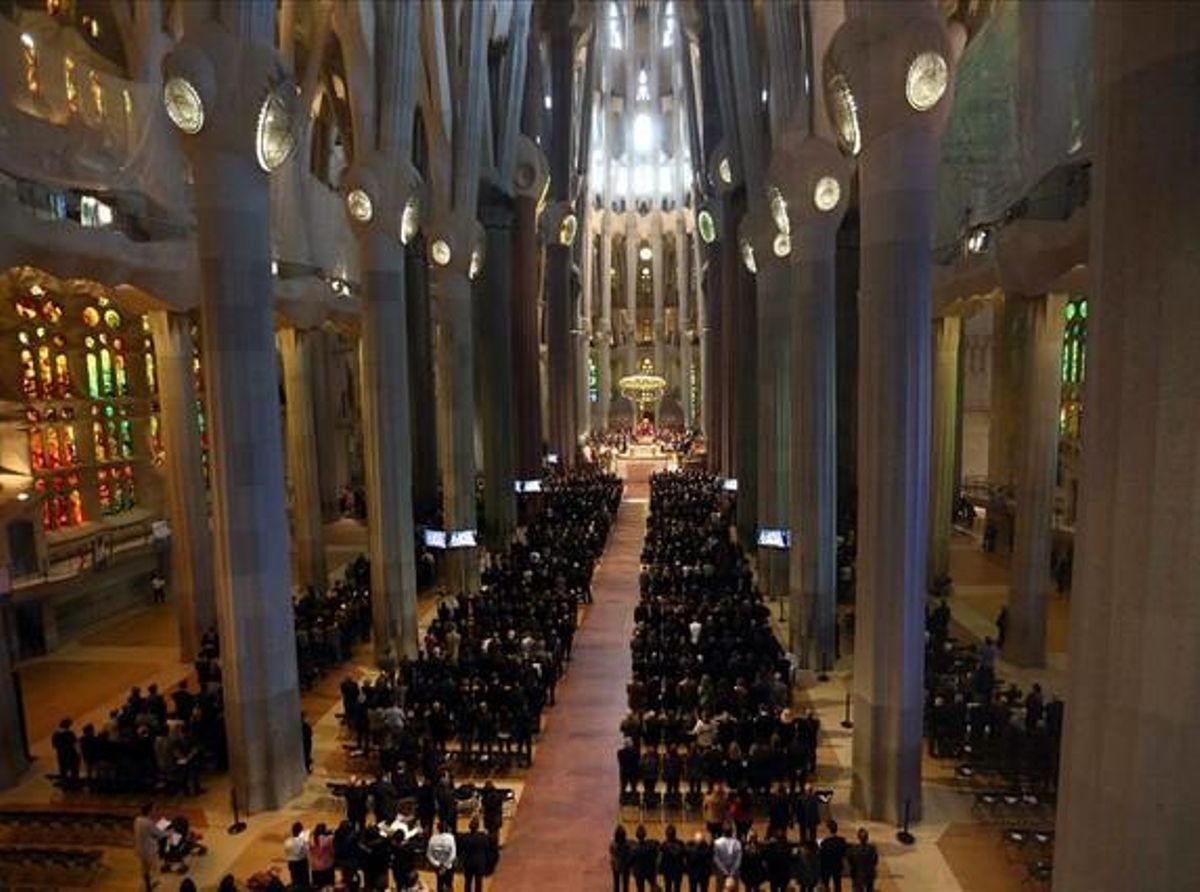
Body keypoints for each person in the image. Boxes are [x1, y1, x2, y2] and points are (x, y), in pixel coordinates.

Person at [133, 802, 164, 891]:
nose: (155, 811)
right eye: (154, 809)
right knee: (155, 869)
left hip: (140, 850)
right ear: (149, 811)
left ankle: (147, 886)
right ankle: (153, 886)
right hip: (149, 851)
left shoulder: (137, 820)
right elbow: (159, 834)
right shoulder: (148, 823)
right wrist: (169, 832)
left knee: (144, 869)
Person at [458, 816, 490, 892]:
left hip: (468, 863)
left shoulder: (465, 838)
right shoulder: (483, 837)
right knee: (478, 883)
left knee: (468, 882)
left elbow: (461, 850)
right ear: (478, 827)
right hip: (479, 863)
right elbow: (487, 848)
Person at [427, 821, 457, 892]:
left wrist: (438, 864)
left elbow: (429, 855)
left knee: (439, 883)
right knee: (449, 884)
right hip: (448, 866)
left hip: (438, 867)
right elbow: (453, 854)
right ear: (446, 828)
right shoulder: (450, 838)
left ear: (437, 828)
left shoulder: (432, 838)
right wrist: (445, 865)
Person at [819, 820, 848, 892]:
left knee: (826, 884)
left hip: (826, 866)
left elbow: (822, 856)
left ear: (829, 829)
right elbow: (844, 853)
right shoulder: (842, 841)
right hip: (837, 865)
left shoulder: (825, 843)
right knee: (838, 884)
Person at [846, 827, 878, 892]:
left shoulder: (853, 849)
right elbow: (875, 861)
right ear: (867, 838)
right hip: (869, 875)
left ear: (858, 838)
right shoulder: (872, 849)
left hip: (857, 875)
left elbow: (850, 861)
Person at [631, 824, 660, 892]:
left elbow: (630, 861)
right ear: (645, 834)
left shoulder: (635, 848)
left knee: (640, 890)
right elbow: (655, 856)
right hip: (649, 871)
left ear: (637, 836)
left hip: (639, 873)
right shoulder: (650, 846)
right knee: (653, 886)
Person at [51, 718, 80, 783]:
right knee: (73, 769)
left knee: (63, 769)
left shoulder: (55, 734)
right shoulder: (70, 734)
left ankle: (65, 781)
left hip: (61, 755)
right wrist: (78, 753)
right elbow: (75, 744)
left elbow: (54, 745)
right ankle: (73, 782)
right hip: (71, 755)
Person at [660, 824, 687, 892]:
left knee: (668, 887)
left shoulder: (663, 845)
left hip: (667, 870)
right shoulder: (681, 844)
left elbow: (661, 859)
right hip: (678, 870)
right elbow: (684, 856)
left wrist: (660, 869)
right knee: (677, 888)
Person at [284, 821, 311, 889]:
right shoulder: (302, 841)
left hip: (291, 863)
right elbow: (307, 851)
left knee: (295, 880)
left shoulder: (287, 841)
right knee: (304, 882)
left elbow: (287, 852)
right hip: (301, 863)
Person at [308, 823, 335, 889]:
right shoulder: (328, 839)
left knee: (318, 887)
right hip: (327, 866)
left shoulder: (310, 840)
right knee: (329, 887)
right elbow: (333, 851)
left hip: (315, 867)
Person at [610, 825, 633, 892]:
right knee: (625, 885)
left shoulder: (613, 844)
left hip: (616, 866)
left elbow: (611, 852)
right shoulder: (627, 845)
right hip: (625, 866)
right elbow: (630, 854)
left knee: (616, 884)